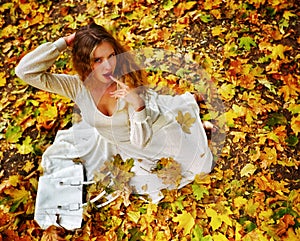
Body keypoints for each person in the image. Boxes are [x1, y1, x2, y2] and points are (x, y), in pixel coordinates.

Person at [15, 23, 213, 203]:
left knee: (200, 166)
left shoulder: (127, 80)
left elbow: (140, 140)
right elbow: (25, 71)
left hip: (149, 134)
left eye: (111, 56)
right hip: (114, 142)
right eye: (98, 60)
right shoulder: (76, 87)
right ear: (84, 62)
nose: (108, 65)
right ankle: (189, 113)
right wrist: (63, 43)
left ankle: (194, 124)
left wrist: (138, 105)